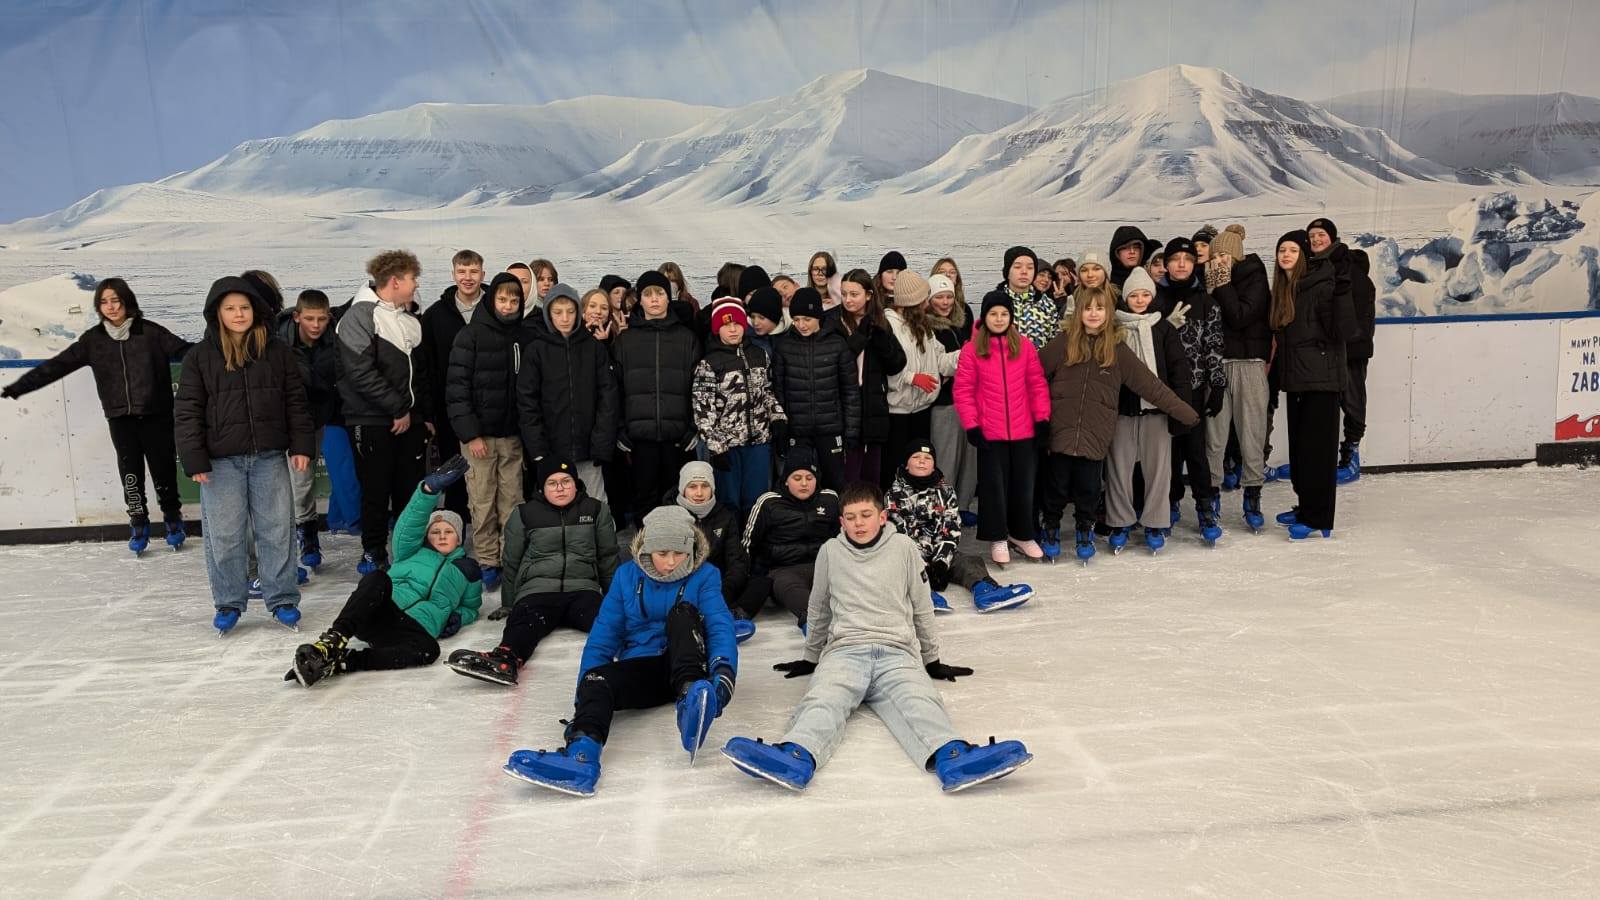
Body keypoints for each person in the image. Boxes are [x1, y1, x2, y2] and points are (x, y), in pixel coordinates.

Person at [721, 481, 1032, 794]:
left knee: (919, 699)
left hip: (896, 650)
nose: (859, 523)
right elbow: (818, 607)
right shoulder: (830, 552)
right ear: (841, 522)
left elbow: (922, 606)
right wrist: (811, 656)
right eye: (851, 517)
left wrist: (931, 659)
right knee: (823, 698)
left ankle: (952, 757)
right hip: (845, 650)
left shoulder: (904, 548)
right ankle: (797, 755)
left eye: (866, 515)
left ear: (882, 517)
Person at [501, 505, 738, 797]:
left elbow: (719, 626)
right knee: (596, 679)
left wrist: (723, 676)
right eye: (663, 553)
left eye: (679, 553)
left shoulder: (705, 575)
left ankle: (692, 700)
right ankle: (582, 755)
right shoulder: (627, 576)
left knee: (683, 613)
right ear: (648, 549)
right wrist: (584, 697)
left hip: (691, 665)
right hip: (646, 669)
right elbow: (603, 637)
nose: (671, 562)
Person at [2, 277, 192, 554]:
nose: (111, 306)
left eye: (115, 300)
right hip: (120, 420)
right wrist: (19, 387)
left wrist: (221, 349)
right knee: (131, 476)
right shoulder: (94, 340)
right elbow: (57, 365)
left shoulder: (151, 333)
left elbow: (187, 352)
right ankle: (139, 523)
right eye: (104, 301)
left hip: (156, 416)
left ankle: (173, 520)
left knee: (163, 472)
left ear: (127, 301)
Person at [175, 276, 314, 634]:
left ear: (255, 310)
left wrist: (301, 445)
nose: (239, 314)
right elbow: (187, 411)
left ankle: (282, 599)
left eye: (244, 307)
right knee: (225, 535)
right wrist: (194, 458)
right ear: (217, 314)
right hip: (220, 463)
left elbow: (295, 401)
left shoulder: (276, 352)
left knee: (277, 530)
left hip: (269, 457)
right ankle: (228, 602)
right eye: (230, 308)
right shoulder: (200, 357)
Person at [286, 456, 482, 686]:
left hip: (413, 628)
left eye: (448, 532)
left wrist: (459, 617)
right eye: (435, 531)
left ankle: (345, 662)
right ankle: (332, 642)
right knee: (377, 577)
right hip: (380, 612)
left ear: (459, 537)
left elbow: (470, 606)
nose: (441, 536)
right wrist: (427, 491)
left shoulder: (467, 570)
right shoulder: (410, 551)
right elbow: (410, 524)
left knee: (430, 650)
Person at [1039, 283, 1198, 561]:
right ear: (1079, 312)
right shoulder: (1064, 342)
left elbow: (1151, 386)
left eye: (1099, 308)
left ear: (1108, 313)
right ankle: (1050, 527)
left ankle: (1085, 529)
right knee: (1056, 486)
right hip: (1061, 430)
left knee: (1089, 489)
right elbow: (1032, 372)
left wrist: (1186, 413)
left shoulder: (1116, 349)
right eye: (1088, 308)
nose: (1093, 314)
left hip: (1096, 432)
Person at [447, 456, 620, 684]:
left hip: (582, 589)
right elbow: (512, 560)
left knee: (609, 624)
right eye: (552, 483)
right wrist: (509, 603)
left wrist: (614, 598)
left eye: (566, 481)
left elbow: (607, 557)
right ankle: (506, 659)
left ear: (576, 483)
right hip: (538, 590)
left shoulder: (596, 510)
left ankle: (642, 656)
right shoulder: (525, 513)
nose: (560, 488)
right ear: (541, 487)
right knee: (524, 622)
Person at [341, 250, 431, 575]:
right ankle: (373, 552)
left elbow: (419, 374)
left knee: (409, 491)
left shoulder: (407, 317)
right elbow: (360, 373)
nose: (416, 284)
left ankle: (407, 552)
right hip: (371, 421)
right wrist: (398, 408)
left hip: (408, 421)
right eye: (412, 278)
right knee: (376, 491)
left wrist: (422, 415)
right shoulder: (359, 316)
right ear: (395, 281)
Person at [1105, 269, 1202, 553]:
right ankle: (1119, 520)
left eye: (1145, 294)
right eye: (1134, 295)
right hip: (1123, 410)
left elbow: (1178, 370)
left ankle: (1156, 521)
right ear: (1125, 298)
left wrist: (1180, 409)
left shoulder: (1163, 328)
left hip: (1157, 411)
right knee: (1119, 468)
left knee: (1158, 469)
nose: (1139, 299)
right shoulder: (1114, 329)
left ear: (1152, 296)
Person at [446, 272, 530, 590]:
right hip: (479, 439)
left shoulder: (524, 335)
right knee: (482, 501)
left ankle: (511, 557)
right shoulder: (471, 335)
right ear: (491, 299)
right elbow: (457, 389)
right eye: (502, 299)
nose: (508, 306)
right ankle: (487, 559)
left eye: (513, 300)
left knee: (512, 501)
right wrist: (470, 434)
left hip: (512, 436)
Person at [953, 290, 1050, 565]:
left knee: (1024, 485)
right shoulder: (972, 349)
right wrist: (972, 425)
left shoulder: (1025, 347)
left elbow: (1037, 384)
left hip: (1024, 430)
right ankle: (997, 536)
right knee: (994, 487)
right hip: (990, 432)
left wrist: (1042, 418)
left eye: (1004, 314)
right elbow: (963, 390)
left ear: (1011, 317)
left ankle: (1022, 533)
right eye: (993, 314)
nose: (998, 319)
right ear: (984, 317)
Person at [1272, 230, 1356, 540]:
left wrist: (1343, 288)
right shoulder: (1288, 289)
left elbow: (1342, 329)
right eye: (1282, 250)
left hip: (1321, 381)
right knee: (1302, 452)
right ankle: (1306, 507)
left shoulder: (1321, 286)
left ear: (1305, 256)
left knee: (1318, 453)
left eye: (1293, 250)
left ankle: (1319, 517)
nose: (1286, 255)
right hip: (1298, 381)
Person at [886, 444, 1032, 613]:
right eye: (916, 457)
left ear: (934, 465)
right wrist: (922, 563)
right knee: (900, 567)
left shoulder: (946, 491)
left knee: (968, 562)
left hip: (939, 550)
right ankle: (922, 594)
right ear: (906, 464)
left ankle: (984, 590)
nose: (922, 461)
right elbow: (899, 532)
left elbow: (951, 526)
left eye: (927, 458)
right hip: (911, 554)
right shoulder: (894, 494)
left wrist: (942, 560)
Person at [613, 269, 699, 525]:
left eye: (659, 293)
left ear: (668, 298)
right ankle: (645, 548)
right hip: (640, 438)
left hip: (677, 437)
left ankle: (679, 547)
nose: (654, 299)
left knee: (676, 498)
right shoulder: (626, 341)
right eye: (648, 294)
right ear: (639, 299)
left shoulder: (686, 338)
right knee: (644, 500)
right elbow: (614, 389)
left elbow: (699, 387)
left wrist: (693, 427)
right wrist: (620, 428)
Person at [521, 283, 620, 505]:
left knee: (595, 503)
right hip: (551, 448)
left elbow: (608, 397)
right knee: (555, 505)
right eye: (558, 312)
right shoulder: (536, 350)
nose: (564, 318)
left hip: (588, 447)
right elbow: (527, 403)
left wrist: (601, 443)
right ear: (548, 314)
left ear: (578, 312)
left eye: (570, 311)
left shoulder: (593, 348)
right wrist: (537, 448)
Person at [1156, 236, 1227, 544]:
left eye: (1187, 259)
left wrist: (1218, 384)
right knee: (1167, 453)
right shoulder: (1155, 298)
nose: (1181, 264)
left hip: (1194, 387)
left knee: (1196, 451)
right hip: (1161, 389)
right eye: (1175, 259)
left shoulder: (1206, 301)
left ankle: (1204, 505)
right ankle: (1168, 501)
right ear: (1166, 264)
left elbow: (1213, 345)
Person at [692, 300, 786, 516]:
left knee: (757, 500)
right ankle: (732, 537)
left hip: (759, 442)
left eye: (737, 324)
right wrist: (716, 446)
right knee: (729, 501)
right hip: (727, 446)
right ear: (717, 329)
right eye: (726, 325)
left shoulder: (759, 355)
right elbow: (703, 411)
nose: (733, 330)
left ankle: (754, 536)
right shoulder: (709, 363)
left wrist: (778, 418)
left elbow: (767, 392)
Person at [1206, 224, 1272, 530]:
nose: (1218, 261)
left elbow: (1240, 316)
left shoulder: (1254, 277)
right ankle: (1211, 494)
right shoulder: (1213, 279)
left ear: (1236, 255)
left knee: (1252, 434)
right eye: (1214, 256)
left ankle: (1253, 493)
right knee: (1214, 435)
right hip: (1218, 364)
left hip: (1249, 363)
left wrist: (1221, 285)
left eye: (1223, 255)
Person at [1306, 217, 1375, 482]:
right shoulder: (1313, 267)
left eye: (1321, 234)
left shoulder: (1348, 268)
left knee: (1352, 402)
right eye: (1312, 236)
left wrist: (1349, 342)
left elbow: (1361, 314)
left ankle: (1351, 456)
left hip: (1349, 350)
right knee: (1322, 406)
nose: (1316, 239)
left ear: (1332, 238)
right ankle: (1320, 460)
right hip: (1322, 351)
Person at [770, 288, 859, 491]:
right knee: (800, 486)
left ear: (818, 316)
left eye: (807, 319)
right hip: (798, 431)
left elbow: (850, 392)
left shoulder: (838, 344)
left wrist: (852, 431)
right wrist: (781, 428)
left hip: (831, 430)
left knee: (836, 484)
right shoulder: (784, 346)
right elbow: (778, 392)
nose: (801, 325)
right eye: (796, 319)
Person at [277, 289, 341, 568]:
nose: (316, 325)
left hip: (313, 420)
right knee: (273, 485)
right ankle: (278, 546)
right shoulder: (277, 342)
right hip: (277, 421)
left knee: (303, 480)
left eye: (321, 319)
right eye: (310, 319)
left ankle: (308, 533)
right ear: (297, 316)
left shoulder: (335, 340)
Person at [419, 250, 484, 520]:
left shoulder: (495, 308)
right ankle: (456, 528)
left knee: (488, 477)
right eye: (462, 271)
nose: (468, 278)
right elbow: (426, 368)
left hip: (490, 408)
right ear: (453, 274)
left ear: (482, 274)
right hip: (449, 411)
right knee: (455, 471)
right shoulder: (435, 315)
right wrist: (429, 412)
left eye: (473, 271)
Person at [739, 457, 841, 626]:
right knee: (789, 586)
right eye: (797, 478)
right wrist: (752, 579)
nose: (804, 483)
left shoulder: (829, 499)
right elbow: (748, 545)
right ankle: (815, 622)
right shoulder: (769, 502)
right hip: (783, 570)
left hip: (823, 567)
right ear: (786, 480)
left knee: (845, 585)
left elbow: (841, 538)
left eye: (809, 478)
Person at [832, 269, 907, 485]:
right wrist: (861, 334)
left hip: (873, 403)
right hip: (845, 403)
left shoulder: (880, 321)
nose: (848, 299)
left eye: (854, 294)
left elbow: (897, 364)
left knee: (872, 472)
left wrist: (882, 340)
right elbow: (840, 361)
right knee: (849, 473)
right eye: (844, 294)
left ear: (868, 295)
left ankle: (873, 506)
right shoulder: (834, 321)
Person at [881, 270, 952, 484]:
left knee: (920, 469)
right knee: (895, 467)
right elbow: (883, 366)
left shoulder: (923, 325)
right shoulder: (888, 325)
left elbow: (940, 359)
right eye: (923, 300)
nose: (927, 304)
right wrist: (911, 377)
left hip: (922, 408)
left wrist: (965, 356)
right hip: (897, 412)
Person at [673, 461, 754, 641]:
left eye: (705, 486)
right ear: (683, 489)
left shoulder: (725, 516)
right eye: (692, 487)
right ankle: (715, 621)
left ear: (713, 489)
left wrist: (725, 590)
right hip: (684, 585)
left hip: (719, 585)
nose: (699, 493)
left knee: (760, 583)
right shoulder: (670, 515)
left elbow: (736, 559)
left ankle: (727, 615)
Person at [925, 274, 977, 520]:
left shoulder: (960, 322)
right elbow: (939, 365)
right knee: (947, 456)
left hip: (968, 398)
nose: (945, 302)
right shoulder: (927, 327)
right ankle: (945, 507)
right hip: (945, 401)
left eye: (948, 297)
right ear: (929, 300)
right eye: (939, 297)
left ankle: (963, 504)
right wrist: (966, 355)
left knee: (969, 456)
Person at [999, 245, 1058, 350]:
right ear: (1007, 272)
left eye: (1030, 268)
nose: (1024, 272)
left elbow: (1055, 343)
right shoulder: (995, 302)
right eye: (1018, 267)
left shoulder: (1047, 304)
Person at [744, 286, 789, 357]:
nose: (755, 323)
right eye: (752, 317)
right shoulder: (745, 339)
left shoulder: (791, 338)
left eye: (761, 318)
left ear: (774, 317)